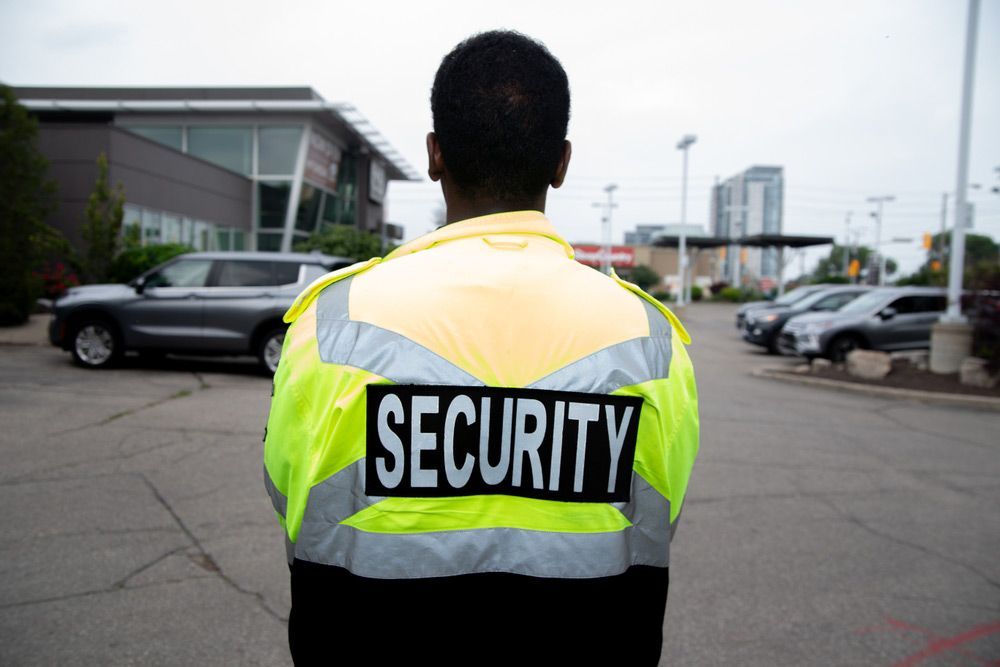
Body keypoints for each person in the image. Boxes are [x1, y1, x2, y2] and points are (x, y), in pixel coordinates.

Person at [264, 30, 699, 666]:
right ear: (561, 163)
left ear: (435, 155)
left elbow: (288, 488)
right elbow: (664, 505)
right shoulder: (649, 338)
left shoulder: (335, 321)